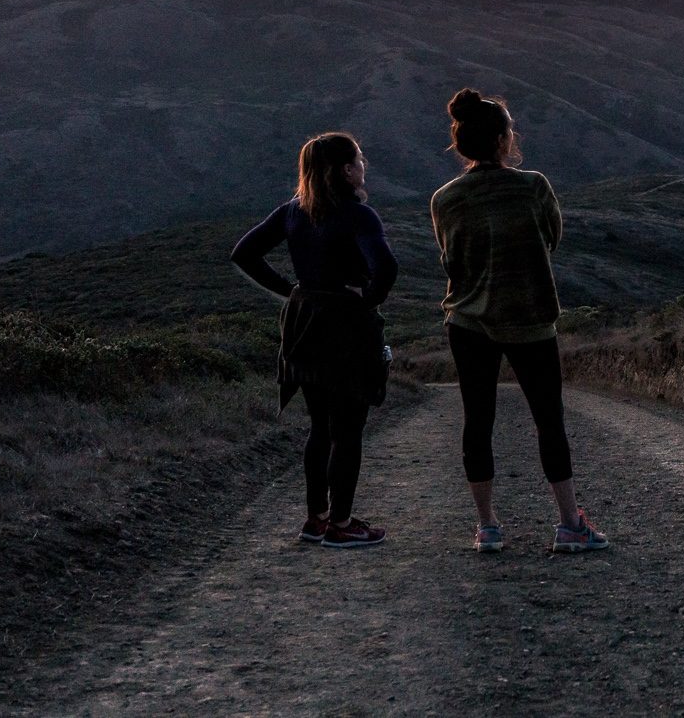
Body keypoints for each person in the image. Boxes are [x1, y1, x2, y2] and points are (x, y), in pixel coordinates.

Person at [431, 88, 606, 555]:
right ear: (505, 140)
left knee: (477, 421)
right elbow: (552, 239)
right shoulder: (534, 186)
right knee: (549, 421)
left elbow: (451, 261)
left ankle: (487, 526)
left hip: (467, 322)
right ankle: (570, 523)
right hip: (530, 318)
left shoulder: (444, 198)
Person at [232, 132, 397, 550]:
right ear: (345, 170)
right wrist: (369, 297)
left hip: (303, 322)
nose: (364, 165)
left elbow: (244, 253)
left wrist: (291, 290)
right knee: (349, 429)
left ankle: (316, 520)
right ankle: (341, 526)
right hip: (345, 324)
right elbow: (386, 268)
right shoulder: (359, 216)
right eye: (360, 158)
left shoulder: (292, 212)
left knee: (319, 427)